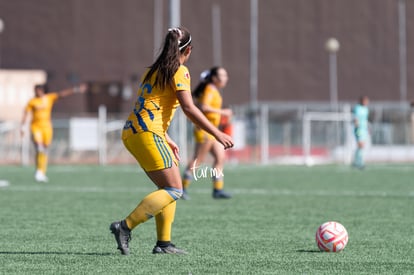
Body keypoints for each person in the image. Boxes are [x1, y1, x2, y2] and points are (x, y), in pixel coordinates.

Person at [109, 27, 233, 256]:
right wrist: (218, 133)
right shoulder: (180, 70)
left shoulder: (153, 71)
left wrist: (167, 137)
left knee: (168, 188)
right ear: (189, 50)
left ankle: (163, 244)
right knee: (174, 189)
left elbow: (148, 106)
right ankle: (124, 227)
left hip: (135, 132)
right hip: (147, 133)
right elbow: (189, 107)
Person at [181, 67, 233, 200]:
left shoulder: (213, 89)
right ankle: (181, 188)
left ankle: (218, 189)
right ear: (214, 78)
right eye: (223, 75)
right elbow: (204, 107)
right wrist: (224, 112)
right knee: (198, 160)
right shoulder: (210, 88)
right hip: (205, 130)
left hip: (212, 131)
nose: (226, 78)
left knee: (220, 158)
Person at [21, 83, 87, 182]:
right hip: (36, 127)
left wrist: (76, 89)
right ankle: (39, 171)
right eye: (35, 90)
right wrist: (22, 127)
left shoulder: (49, 98)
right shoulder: (32, 101)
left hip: (47, 128)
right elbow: (25, 113)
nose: (37, 92)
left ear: (42, 90)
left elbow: (62, 94)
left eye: (38, 90)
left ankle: (41, 172)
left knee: (45, 149)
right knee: (39, 148)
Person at [352, 95, 370, 169]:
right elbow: (356, 118)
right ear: (362, 101)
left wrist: (367, 128)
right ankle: (360, 163)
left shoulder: (366, 109)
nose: (367, 102)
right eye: (366, 101)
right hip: (359, 129)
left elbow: (365, 120)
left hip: (364, 129)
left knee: (361, 147)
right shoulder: (357, 108)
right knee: (361, 145)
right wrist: (357, 129)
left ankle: (355, 162)